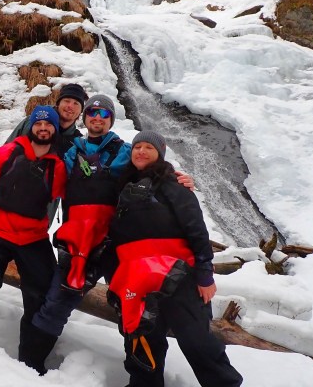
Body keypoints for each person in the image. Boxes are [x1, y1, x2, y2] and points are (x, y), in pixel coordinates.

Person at [29, 97, 195, 374]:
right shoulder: (69, 154)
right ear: (85, 118)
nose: (97, 116)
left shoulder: (125, 152)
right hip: (77, 242)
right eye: (92, 111)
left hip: (115, 244)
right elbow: (41, 168)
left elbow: (151, 170)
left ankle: (144, 378)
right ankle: (28, 365)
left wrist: (176, 179)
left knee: (131, 308)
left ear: (110, 120)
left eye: (104, 112)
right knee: (57, 303)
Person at [107, 131, 243, 387]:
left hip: (178, 276)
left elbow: (197, 230)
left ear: (160, 152)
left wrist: (205, 274)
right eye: (137, 147)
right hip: (137, 279)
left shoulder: (172, 185)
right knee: (141, 337)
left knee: (196, 340)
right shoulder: (123, 188)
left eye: (149, 147)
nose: (141, 151)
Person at [0, 105, 67, 374]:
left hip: (33, 236)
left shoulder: (58, 166)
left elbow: (84, 196)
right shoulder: (5, 154)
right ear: (31, 127)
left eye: (48, 124)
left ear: (55, 129)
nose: (43, 128)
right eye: (38, 124)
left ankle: (31, 362)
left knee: (43, 291)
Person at [5, 83, 88, 157]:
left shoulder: (77, 141)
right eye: (67, 101)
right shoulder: (33, 122)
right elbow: (5, 151)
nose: (70, 106)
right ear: (58, 104)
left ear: (81, 111)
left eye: (76, 103)